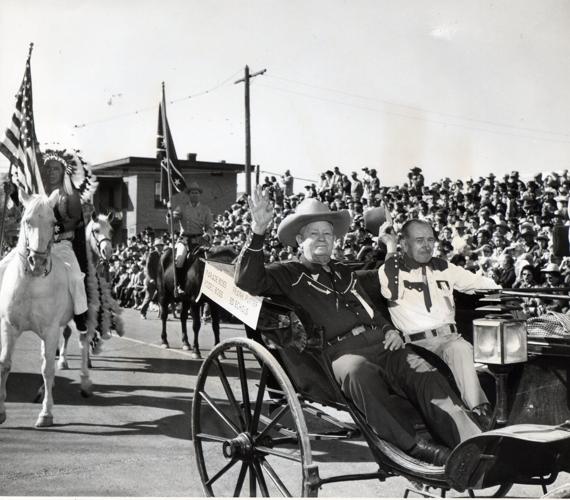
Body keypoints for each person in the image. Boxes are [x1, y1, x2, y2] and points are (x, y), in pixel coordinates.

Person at [235, 187, 481, 466]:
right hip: (339, 355)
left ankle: (471, 443)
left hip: (383, 343)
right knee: (357, 372)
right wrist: (258, 230)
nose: (322, 240)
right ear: (299, 240)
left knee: (427, 375)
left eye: (327, 234)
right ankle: (412, 448)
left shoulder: (343, 272)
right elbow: (247, 281)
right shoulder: (286, 273)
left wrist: (389, 329)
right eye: (313, 234)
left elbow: (372, 303)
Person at [377, 219, 500, 428]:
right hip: (417, 345)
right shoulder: (391, 268)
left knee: (460, 348)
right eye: (419, 240)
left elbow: (482, 284)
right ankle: (470, 421)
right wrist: (390, 248)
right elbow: (390, 290)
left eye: (430, 240)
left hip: (450, 338)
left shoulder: (444, 267)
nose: (427, 245)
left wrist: (504, 293)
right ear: (404, 244)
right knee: (460, 350)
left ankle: (481, 412)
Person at [43, 153, 90, 333]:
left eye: (56, 168)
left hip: (61, 247)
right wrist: (14, 194)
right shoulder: (41, 192)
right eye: (49, 169)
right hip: (38, 247)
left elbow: (74, 219)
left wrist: (53, 228)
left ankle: (79, 315)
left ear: (64, 171)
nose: (52, 172)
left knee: (76, 278)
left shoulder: (70, 194)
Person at [169, 181, 214, 295]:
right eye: (192, 193)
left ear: (199, 195)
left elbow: (210, 227)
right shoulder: (182, 207)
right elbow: (172, 220)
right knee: (179, 259)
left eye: (197, 193)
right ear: (189, 195)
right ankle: (179, 285)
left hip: (200, 241)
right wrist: (171, 215)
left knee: (212, 260)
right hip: (185, 240)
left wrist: (207, 235)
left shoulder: (206, 209)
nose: (195, 195)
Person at [140, 237, 164, 319]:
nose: (159, 247)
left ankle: (161, 314)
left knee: (161, 297)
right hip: (151, 280)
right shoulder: (151, 254)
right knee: (149, 297)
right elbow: (147, 268)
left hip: (159, 280)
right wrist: (150, 279)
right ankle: (142, 313)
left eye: (161, 245)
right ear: (155, 246)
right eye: (158, 246)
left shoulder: (163, 255)